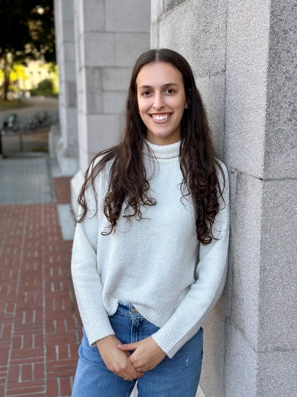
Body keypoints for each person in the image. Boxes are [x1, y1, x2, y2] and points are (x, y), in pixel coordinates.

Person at [71, 48, 229, 397]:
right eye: (147, 92)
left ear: (187, 98)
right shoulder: (106, 169)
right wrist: (101, 336)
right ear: (136, 100)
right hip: (108, 332)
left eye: (170, 90)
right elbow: (83, 260)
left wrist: (164, 342)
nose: (158, 103)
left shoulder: (210, 174)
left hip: (175, 340)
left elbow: (212, 273)